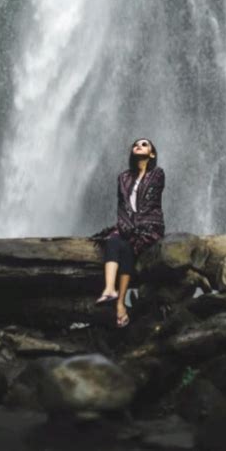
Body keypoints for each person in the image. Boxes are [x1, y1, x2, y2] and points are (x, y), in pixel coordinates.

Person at [93, 138, 165, 328]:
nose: (138, 146)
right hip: (127, 226)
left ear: (152, 154)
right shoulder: (123, 177)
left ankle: (119, 302)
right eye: (136, 144)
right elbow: (123, 207)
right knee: (114, 241)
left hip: (148, 227)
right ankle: (110, 290)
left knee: (126, 246)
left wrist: (134, 227)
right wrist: (126, 226)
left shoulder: (157, 174)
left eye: (144, 144)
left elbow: (150, 204)